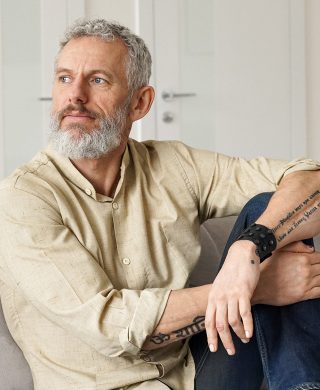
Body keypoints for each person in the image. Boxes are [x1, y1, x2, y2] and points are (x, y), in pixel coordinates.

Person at [0, 18, 320, 390]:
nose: (75, 96)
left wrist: (250, 250)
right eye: (64, 78)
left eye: (98, 80)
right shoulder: (24, 198)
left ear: (140, 102)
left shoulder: (173, 166)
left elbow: (308, 178)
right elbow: (111, 326)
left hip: (194, 377)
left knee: (268, 210)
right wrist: (257, 287)